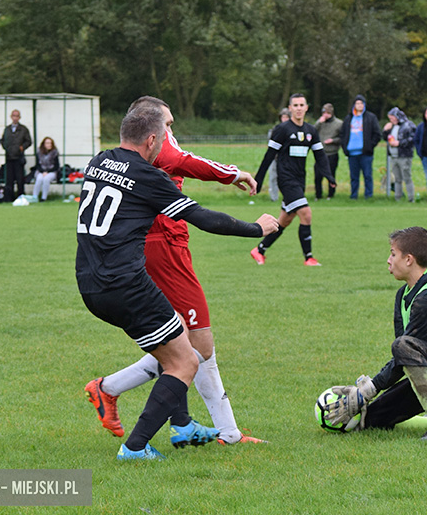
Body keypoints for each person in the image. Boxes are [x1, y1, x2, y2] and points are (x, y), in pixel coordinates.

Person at [77, 101, 278, 460]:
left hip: (90, 283)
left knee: (179, 342)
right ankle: (135, 445)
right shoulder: (149, 176)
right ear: (152, 138)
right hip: (129, 282)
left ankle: (180, 423)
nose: (171, 134)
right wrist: (256, 229)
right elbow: (202, 216)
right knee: (187, 359)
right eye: (168, 127)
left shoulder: (98, 161)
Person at [323, 227, 427, 440]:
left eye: (393, 254)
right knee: (371, 419)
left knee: (402, 344)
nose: (388, 260)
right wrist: (364, 397)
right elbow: (402, 357)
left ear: (408, 259)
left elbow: (405, 347)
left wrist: (368, 390)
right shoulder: (403, 295)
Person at [251, 93, 336, 266]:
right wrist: (258, 181)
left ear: (306, 108)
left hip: (300, 180)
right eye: (295, 105)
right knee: (306, 213)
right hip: (286, 180)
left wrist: (329, 176)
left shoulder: (311, 131)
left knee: (284, 221)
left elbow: (320, 156)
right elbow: (269, 156)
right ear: (290, 108)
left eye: (301, 105)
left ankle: (259, 250)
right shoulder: (282, 129)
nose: (298, 108)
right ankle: (309, 257)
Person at [340, 95, 380, 199]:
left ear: (364, 105)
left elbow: (377, 134)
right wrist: (344, 147)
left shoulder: (370, 117)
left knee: (367, 175)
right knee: (354, 177)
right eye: (357, 103)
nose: (359, 105)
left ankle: (368, 195)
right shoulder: (348, 118)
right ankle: (354, 196)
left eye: (361, 103)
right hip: (352, 153)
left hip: (365, 153)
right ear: (354, 105)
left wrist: (370, 146)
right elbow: (342, 134)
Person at [382, 107, 416, 202]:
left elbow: (413, 139)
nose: (391, 120)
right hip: (394, 156)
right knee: (397, 179)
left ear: (397, 116)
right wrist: (385, 130)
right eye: (389, 118)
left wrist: (399, 143)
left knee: (407, 178)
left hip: (404, 156)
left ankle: (411, 198)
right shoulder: (392, 126)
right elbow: (385, 138)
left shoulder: (409, 125)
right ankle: (398, 198)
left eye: (392, 118)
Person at [1, 109, 32, 202]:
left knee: (20, 179)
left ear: (19, 117)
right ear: (11, 117)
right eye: (14, 116)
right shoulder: (7, 129)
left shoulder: (23, 129)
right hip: (9, 157)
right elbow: (3, 140)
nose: (15, 118)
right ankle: (9, 198)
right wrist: (6, 147)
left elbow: (29, 141)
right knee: (9, 179)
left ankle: (21, 196)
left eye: (17, 116)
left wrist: (22, 147)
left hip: (19, 157)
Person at [314, 103, 342, 200]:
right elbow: (312, 131)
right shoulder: (320, 123)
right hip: (320, 153)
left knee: (331, 175)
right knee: (318, 176)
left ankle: (331, 194)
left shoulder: (339, 123)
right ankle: (318, 195)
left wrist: (333, 141)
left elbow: (342, 138)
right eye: (324, 113)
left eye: (327, 113)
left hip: (332, 153)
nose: (325, 115)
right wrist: (319, 122)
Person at [267, 108, 291, 202]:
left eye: (286, 117)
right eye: (283, 117)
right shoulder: (275, 129)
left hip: (288, 159)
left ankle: (289, 197)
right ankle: (274, 197)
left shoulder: (293, 130)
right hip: (275, 158)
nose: (284, 119)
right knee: (273, 178)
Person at [33, 137, 59, 202]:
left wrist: (47, 171)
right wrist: (43, 171)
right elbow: (37, 165)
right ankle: (34, 196)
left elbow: (56, 166)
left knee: (46, 179)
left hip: (52, 171)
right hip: (41, 171)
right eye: (47, 143)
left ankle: (43, 197)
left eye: (50, 143)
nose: (49, 145)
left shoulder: (55, 152)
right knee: (39, 179)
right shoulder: (39, 152)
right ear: (44, 144)